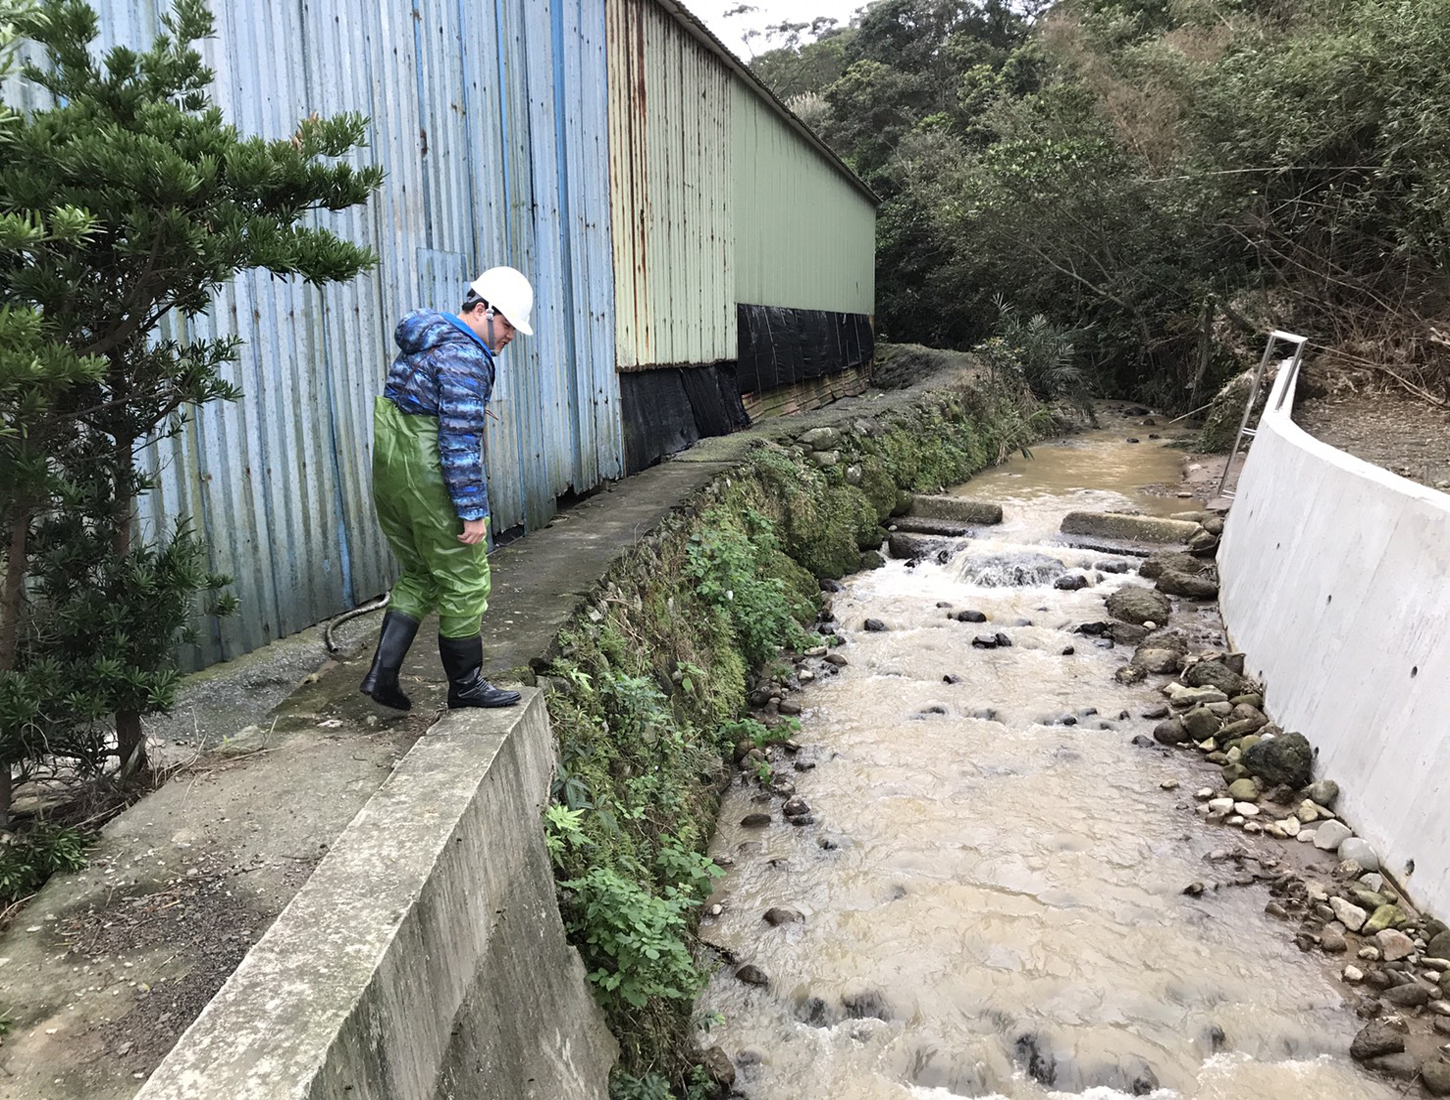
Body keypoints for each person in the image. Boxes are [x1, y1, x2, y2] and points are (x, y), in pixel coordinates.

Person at [359, 266, 534, 711]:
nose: (511, 335)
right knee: (466, 578)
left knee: (420, 573)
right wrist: (472, 510)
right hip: (430, 477)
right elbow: (458, 440)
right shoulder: (466, 357)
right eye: (509, 324)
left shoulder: (426, 340)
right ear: (482, 310)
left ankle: (382, 676)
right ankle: (467, 685)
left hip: (393, 475)